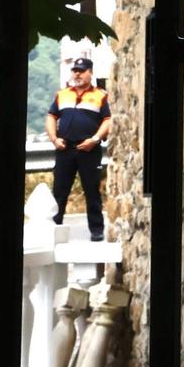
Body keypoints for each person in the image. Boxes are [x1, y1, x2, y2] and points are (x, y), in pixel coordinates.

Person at [46, 56, 111, 241]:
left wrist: (95, 139)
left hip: (88, 149)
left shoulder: (100, 95)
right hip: (65, 148)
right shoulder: (63, 94)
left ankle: (96, 231)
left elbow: (108, 120)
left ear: (90, 73)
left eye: (81, 71)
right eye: (75, 70)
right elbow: (51, 116)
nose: (77, 74)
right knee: (59, 189)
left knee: (92, 190)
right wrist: (54, 139)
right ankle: (54, 227)